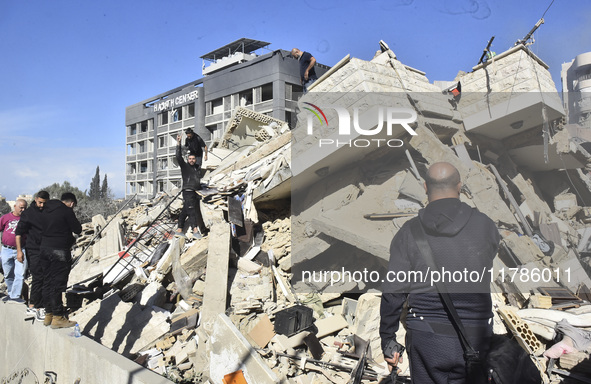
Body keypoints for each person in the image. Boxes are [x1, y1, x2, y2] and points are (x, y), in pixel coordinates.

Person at [380, 162, 500, 384]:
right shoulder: (486, 226)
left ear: (425, 187)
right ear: (460, 186)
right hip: (476, 335)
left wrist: (388, 339)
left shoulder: (408, 232)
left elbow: (393, 290)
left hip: (426, 336)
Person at [39, 192, 82, 328]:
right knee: (57, 284)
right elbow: (78, 229)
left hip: (44, 249)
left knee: (47, 281)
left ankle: (48, 314)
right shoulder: (67, 211)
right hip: (59, 251)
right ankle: (58, 317)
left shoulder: (45, 209)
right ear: (72, 203)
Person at [15, 190, 49, 319]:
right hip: (33, 249)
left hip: (47, 249)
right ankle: (33, 305)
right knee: (38, 276)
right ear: (35, 199)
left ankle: (43, 306)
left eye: (44, 203)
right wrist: (19, 252)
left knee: (46, 277)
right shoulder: (28, 214)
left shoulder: (48, 211)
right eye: (40, 202)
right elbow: (18, 233)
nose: (41, 205)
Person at [175, 134, 208, 239]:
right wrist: (179, 143)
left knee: (186, 210)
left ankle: (179, 229)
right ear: (188, 159)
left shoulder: (197, 168)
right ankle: (195, 230)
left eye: (193, 159)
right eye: (190, 159)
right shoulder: (185, 166)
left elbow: (200, 152)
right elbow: (178, 156)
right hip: (188, 191)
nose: (192, 160)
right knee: (192, 210)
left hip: (195, 192)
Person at [0, 199, 28, 302]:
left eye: (25, 207)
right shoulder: (6, 218)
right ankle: (11, 293)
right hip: (6, 249)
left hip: (21, 249)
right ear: (15, 207)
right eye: (21, 207)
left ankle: (15, 296)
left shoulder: (27, 219)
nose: (23, 209)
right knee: (8, 274)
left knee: (20, 274)